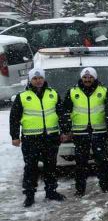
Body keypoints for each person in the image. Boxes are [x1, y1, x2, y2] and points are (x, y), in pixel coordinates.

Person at [9, 68, 66, 207]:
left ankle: (51, 191)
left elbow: (62, 115)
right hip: (31, 139)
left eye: (40, 78)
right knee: (31, 168)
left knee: (50, 166)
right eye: (35, 78)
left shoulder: (53, 94)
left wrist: (64, 131)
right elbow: (14, 118)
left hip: (50, 137)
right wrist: (15, 136)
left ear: (44, 79)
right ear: (30, 80)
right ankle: (29, 195)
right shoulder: (22, 96)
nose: (38, 80)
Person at [62, 67, 108, 196]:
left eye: (90, 77)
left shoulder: (104, 90)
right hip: (80, 133)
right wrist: (66, 129)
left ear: (94, 78)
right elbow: (65, 112)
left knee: (102, 161)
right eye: (85, 77)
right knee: (81, 163)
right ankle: (80, 189)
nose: (87, 79)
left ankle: (105, 186)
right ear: (81, 78)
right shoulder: (73, 92)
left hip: (99, 131)